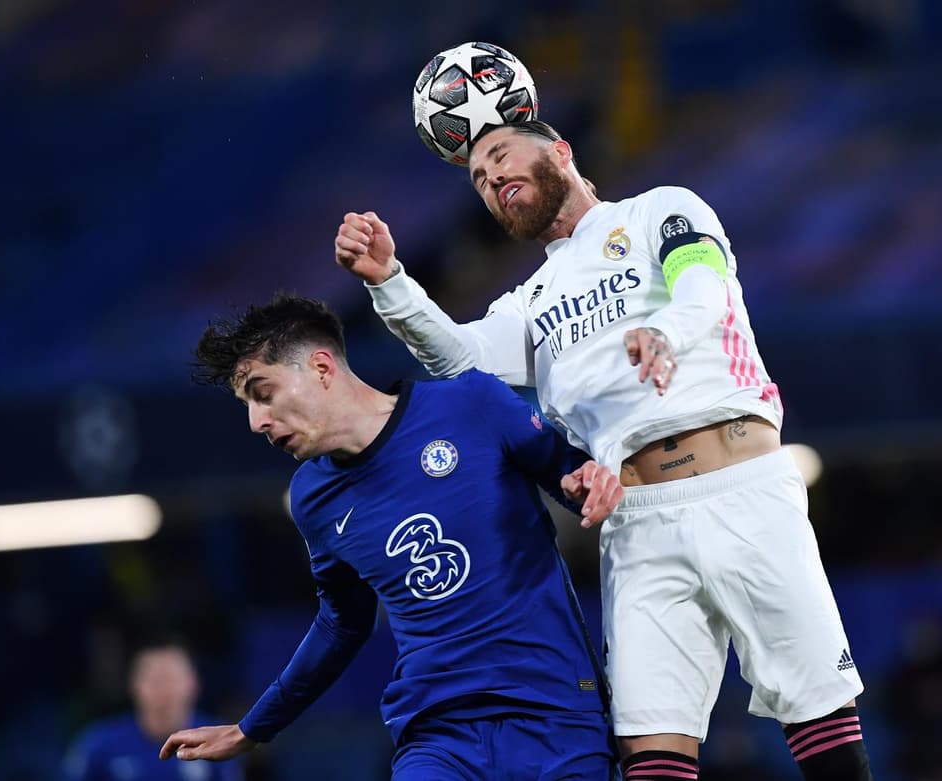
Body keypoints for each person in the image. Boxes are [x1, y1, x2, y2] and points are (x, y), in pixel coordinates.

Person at [334, 119, 871, 780]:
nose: (492, 177)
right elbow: (460, 361)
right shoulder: (531, 301)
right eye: (478, 178)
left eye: (501, 156)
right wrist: (389, 281)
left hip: (743, 486)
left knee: (818, 714)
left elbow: (702, 284)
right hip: (636, 525)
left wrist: (665, 330)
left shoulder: (660, 209)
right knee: (650, 748)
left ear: (561, 151)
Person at [161, 294, 622, 779]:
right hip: (439, 737)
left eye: (263, 392)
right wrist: (252, 728)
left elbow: (573, 479)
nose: (257, 422)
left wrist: (586, 484)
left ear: (321, 368)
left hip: (555, 714)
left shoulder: (471, 403)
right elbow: (342, 622)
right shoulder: (314, 497)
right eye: (247, 405)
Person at [65, 637, 241, 781]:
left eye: (172, 678)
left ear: (194, 684)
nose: (164, 689)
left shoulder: (216, 742)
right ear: (134, 685)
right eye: (155, 679)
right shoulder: (99, 744)